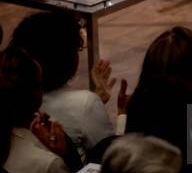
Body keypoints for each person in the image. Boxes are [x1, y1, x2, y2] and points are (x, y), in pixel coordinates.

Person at [10, 12, 116, 162]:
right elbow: (112, 159)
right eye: (76, 50)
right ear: (69, 59)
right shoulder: (85, 103)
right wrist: (122, 115)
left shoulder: (11, 97)